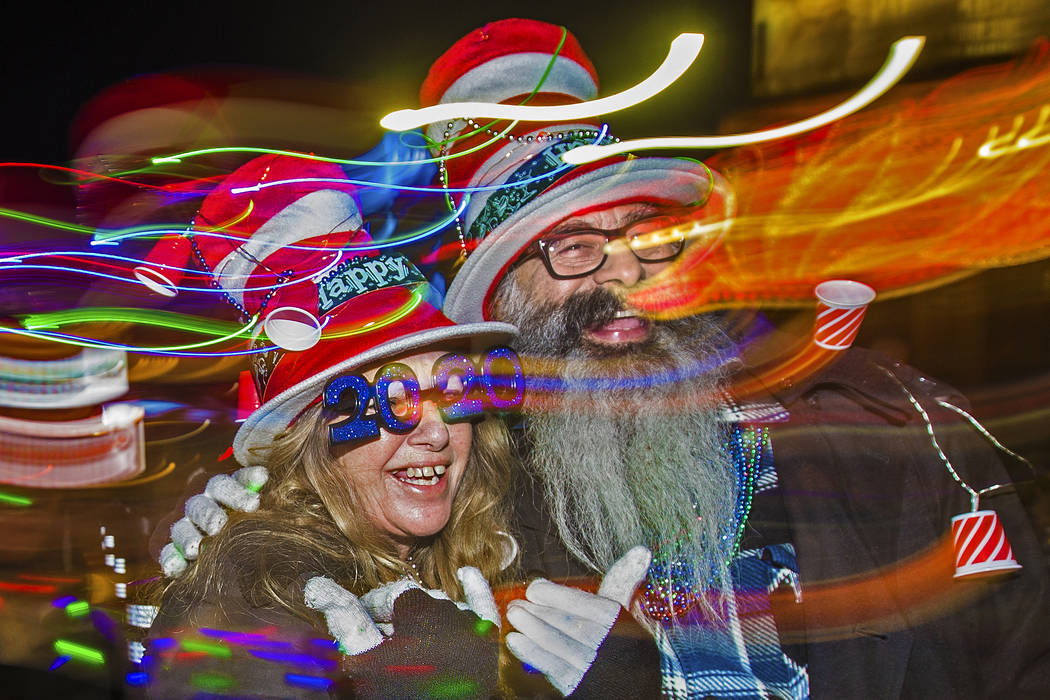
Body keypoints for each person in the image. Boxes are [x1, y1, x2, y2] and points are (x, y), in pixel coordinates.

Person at [165, 19, 1050, 699]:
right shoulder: (475, 501)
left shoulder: (882, 425)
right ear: (507, 295)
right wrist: (247, 544)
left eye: (644, 237)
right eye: (573, 248)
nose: (623, 272)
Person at [141, 154, 522, 699]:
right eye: (393, 400)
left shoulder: (473, 547)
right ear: (308, 434)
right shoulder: (252, 607)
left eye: (453, 392)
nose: (437, 433)